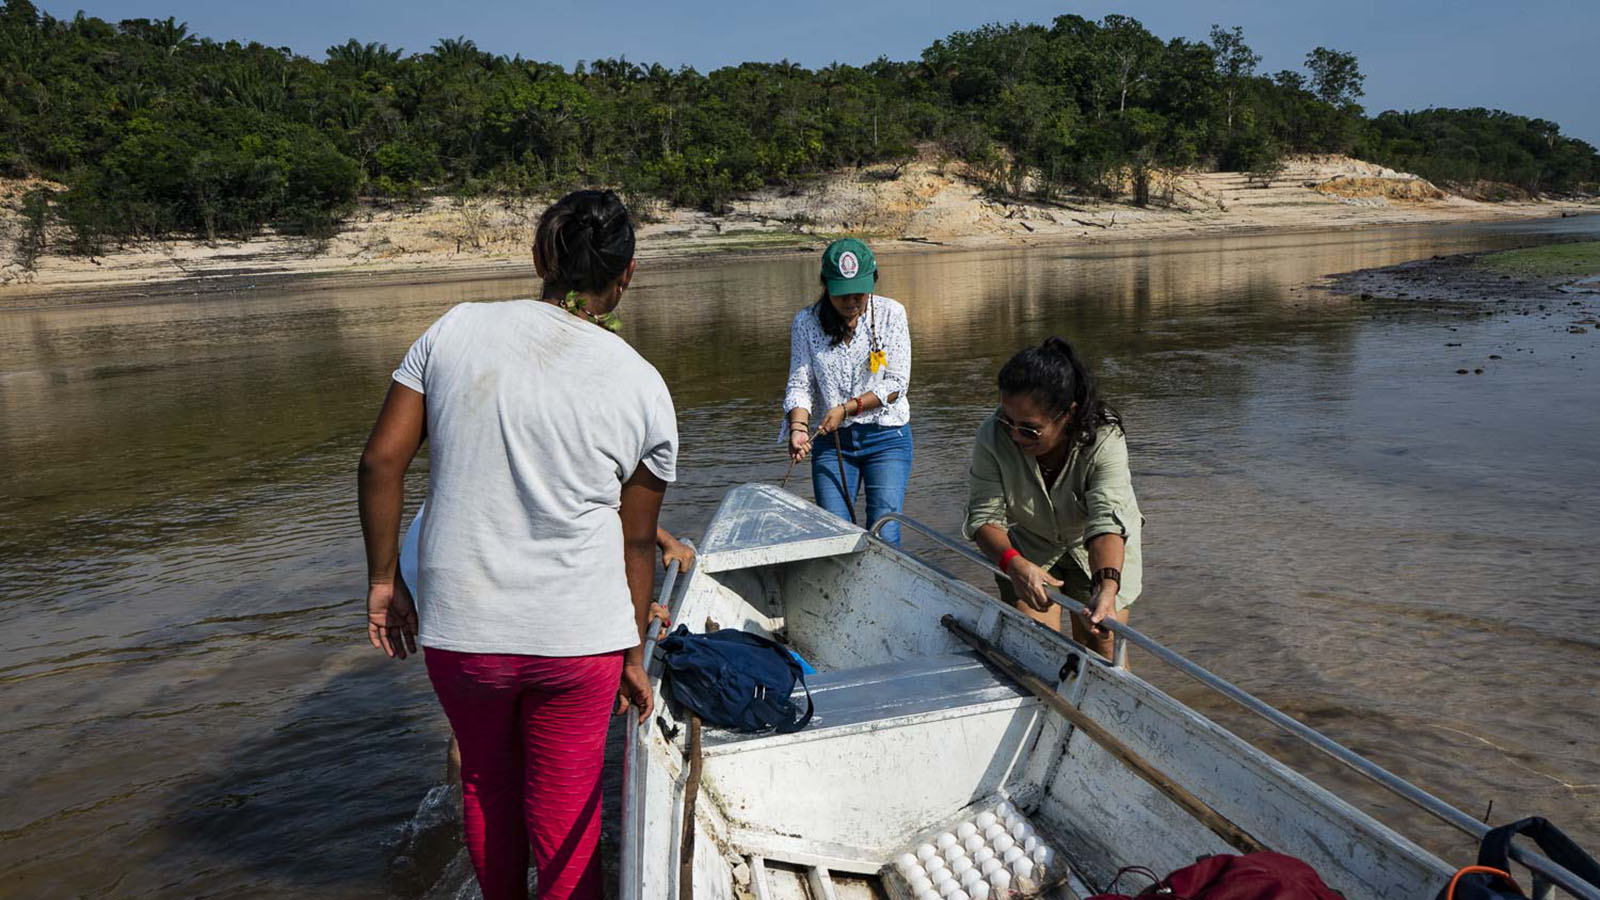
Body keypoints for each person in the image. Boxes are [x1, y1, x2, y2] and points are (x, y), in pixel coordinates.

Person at [358, 189, 676, 900]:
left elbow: (381, 462)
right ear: (626, 275)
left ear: (539, 259)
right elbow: (636, 541)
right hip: (578, 638)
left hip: (464, 631)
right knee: (566, 819)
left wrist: (385, 583)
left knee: (487, 785)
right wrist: (630, 650)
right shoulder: (643, 386)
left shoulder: (455, 330)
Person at [963, 337, 1144, 660]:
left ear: (1067, 415)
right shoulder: (993, 434)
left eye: (1030, 430)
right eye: (1010, 422)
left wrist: (1107, 588)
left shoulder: (1105, 437)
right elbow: (984, 516)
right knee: (1034, 651)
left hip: (1100, 554)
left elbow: (1106, 521)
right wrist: (1013, 564)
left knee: (1102, 651)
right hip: (1031, 548)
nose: (1016, 436)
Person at [783, 238, 913, 543]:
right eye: (842, 293)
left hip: (887, 438)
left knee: (885, 531)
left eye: (860, 291)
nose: (852, 300)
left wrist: (846, 408)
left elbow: (896, 384)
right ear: (826, 285)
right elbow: (800, 384)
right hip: (832, 442)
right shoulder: (806, 322)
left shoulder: (892, 314)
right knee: (834, 535)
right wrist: (798, 428)